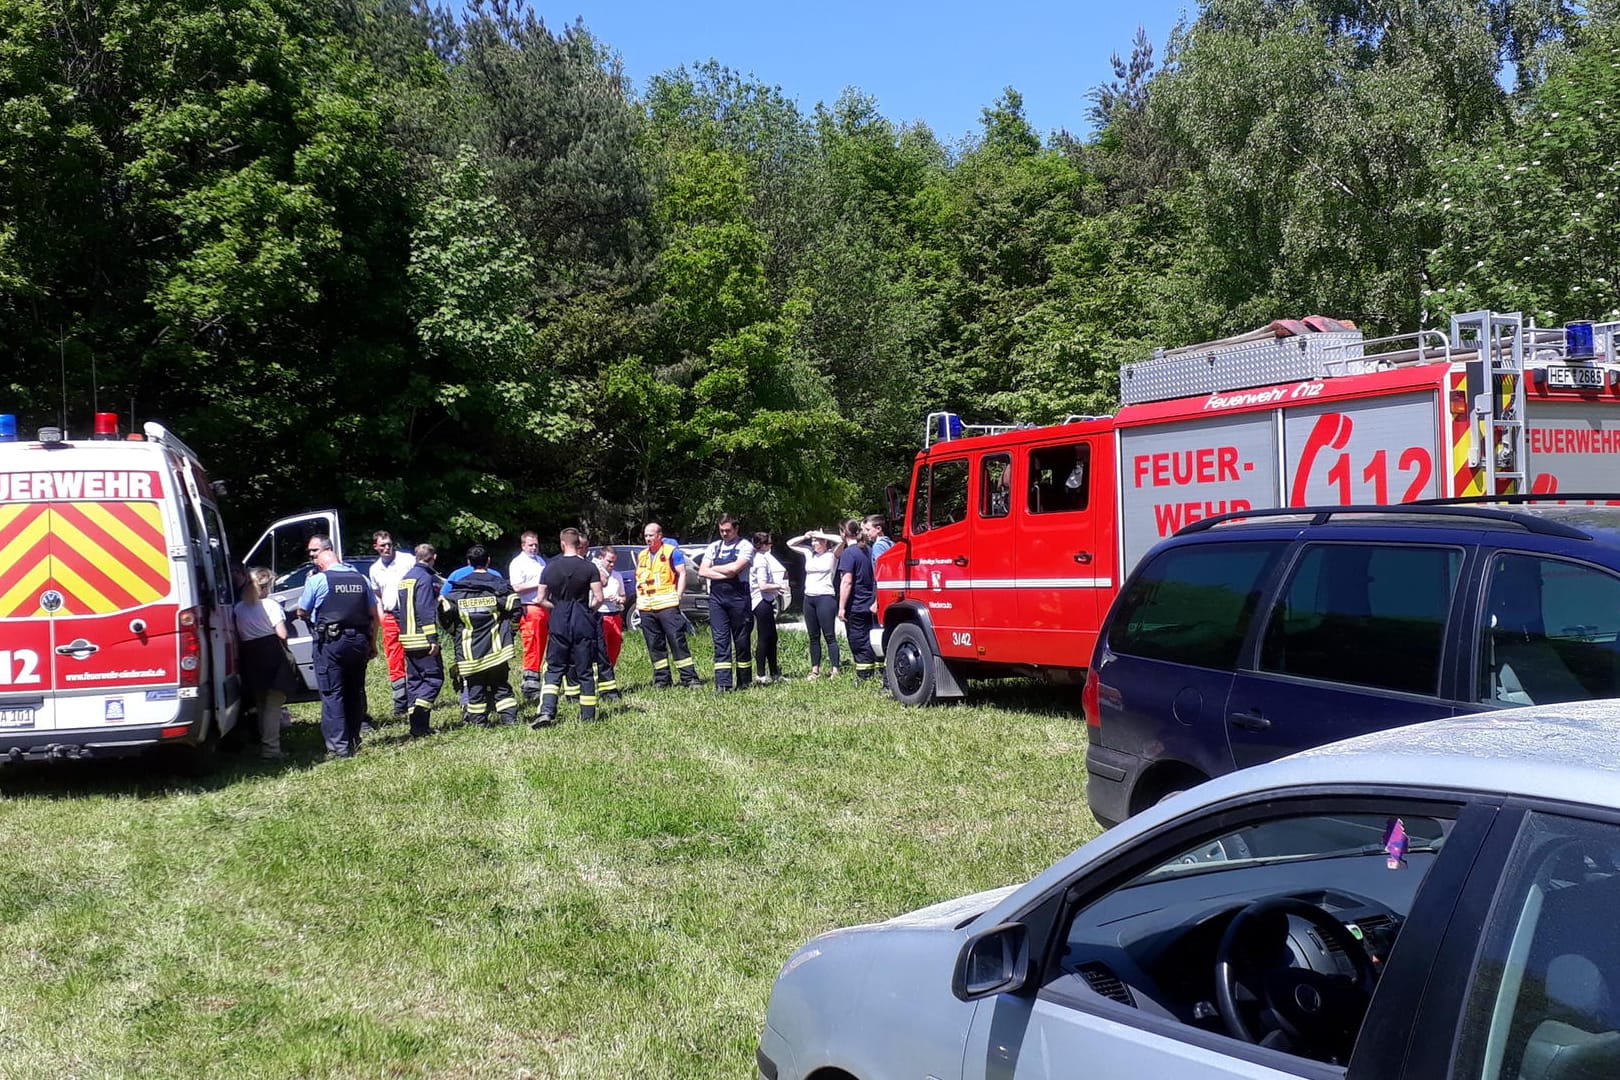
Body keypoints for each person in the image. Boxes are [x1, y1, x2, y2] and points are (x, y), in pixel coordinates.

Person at [295, 535, 378, 758]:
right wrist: (372, 643)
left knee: (333, 693)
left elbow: (302, 610)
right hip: (359, 641)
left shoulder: (317, 580)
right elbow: (374, 615)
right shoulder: (361, 579)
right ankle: (354, 738)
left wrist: (306, 616)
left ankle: (339, 747)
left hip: (331, 643)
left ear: (322, 561)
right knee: (354, 690)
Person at [443, 545, 522, 726]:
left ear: (469, 562)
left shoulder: (458, 590)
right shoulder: (500, 585)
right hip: (497, 649)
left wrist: (454, 631)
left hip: (469, 651)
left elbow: (444, 613)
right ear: (488, 561)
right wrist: (511, 630)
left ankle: (478, 723)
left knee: (474, 688)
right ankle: (510, 720)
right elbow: (516, 607)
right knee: (501, 685)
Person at [535, 528, 605, 726]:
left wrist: (557, 608)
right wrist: (587, 609)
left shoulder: (549, 568)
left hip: (559, 619)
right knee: (584, 670)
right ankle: (588, 716)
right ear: (578, 543)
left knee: (555, 668)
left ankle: (547, 710)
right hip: (582, 618)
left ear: (562, 543)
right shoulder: (589, 568)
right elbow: (599, 597)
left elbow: (540, 599)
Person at [234, 567, 298, 760]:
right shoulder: (270, 605)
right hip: (271, 653)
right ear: (265, 585)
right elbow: (282, 634)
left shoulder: (238, 608)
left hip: (249, 655)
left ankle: (263, 743)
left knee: (261, 703)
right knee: (273, 704)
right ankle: (271, 748)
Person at [635, 522, 702, 688]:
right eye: (646, 535)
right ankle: (662, 680)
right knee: (654, 644)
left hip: (667, 604)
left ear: (659, 536)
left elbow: (682, 573)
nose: (648, 538)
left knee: (677, 641)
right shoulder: (642, 555)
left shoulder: (671, 552)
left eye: (651, 535)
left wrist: (678, 596)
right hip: (646, 606)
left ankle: (689, 678)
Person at [699, 513, 754, 691]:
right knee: (720, 640)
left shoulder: (746, 546)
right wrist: (723, 572)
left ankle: (744, 681)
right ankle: (723, 684)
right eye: (721, 530)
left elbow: (735, 570)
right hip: (717, 599)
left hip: (738, 598)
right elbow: (702, 571)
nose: (724, 534)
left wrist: (714, 569)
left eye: (728, 531)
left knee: (741, 640)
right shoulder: (714, 547)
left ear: (736, 529)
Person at [396, 543, 445, 738]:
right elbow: (425, 609)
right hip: (422, 638)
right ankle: (419, 718)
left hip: (407, 638)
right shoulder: (425, 578)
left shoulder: (405, 578)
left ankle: (417, 727)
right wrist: (432, 638)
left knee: (415, 681)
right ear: (433, 557)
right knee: (434, 679)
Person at [367, 530, 416, 719]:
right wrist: (381, 618)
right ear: (376, 547)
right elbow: (377, 596)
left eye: (389, 544)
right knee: (394, 659)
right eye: (383, 545)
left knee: (414, 654)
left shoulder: (407, 560)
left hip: (409, 614)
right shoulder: (374, 569)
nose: (387, 548)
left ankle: (417, 698)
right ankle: (400, 702)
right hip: (389, 616)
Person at [788, 528, 842, 678]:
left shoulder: (832, 554)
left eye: (817, 541)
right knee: (813, 636)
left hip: (825, 597)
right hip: (809, 598)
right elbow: (790, 543)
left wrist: (821, 535)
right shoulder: (808, 553)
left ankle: (835, 669)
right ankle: (815, 670)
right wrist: (805, 535)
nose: (814, 543)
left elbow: (840, 540)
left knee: (829, 635)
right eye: (812, 541)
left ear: (824, 542)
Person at [509, 530, 549, 704]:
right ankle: (530, 687)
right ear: (523, 545)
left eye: (536, 544)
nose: (534, 548)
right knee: (532, 646)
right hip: (530, 608)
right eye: (530, 545)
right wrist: (538, 584)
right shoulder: (518, 563)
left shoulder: (540, 561)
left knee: (543, 646)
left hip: (544, 607)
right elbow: (516, 587)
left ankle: (540, 681)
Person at [837, 518, 879, 681]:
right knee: (872, 638)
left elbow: (846, 582)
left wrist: (841, 607)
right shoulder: (868, 549)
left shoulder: (848, 553)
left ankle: (864, 676)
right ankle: (879, 673)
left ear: (843, 533)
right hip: (871, 603)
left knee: (858, 640)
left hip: (856, 605)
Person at [749, 532, 789, 684]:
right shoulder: (760, 560)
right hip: (761, 602)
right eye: (769, 543)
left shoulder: (759, 558)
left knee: (772, 637)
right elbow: (762, 585)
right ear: (763, 545)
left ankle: (774, 673)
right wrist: (779, 586)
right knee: (765, 638)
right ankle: (760, 674)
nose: (771, 545)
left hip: (765, 600)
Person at [592, 547, 625, 701]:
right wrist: (603, 597)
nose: (612, 565)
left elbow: (624, 596)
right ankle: (602, 684)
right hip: (601, 614)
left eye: (614, 562)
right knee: (601, 652)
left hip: (615, 615)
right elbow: (591, 597)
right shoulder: (595, 574)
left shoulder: (616, 576)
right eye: (609, 561)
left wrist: (619, 599)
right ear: (601, 558)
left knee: (614, 648)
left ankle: (607, 679)